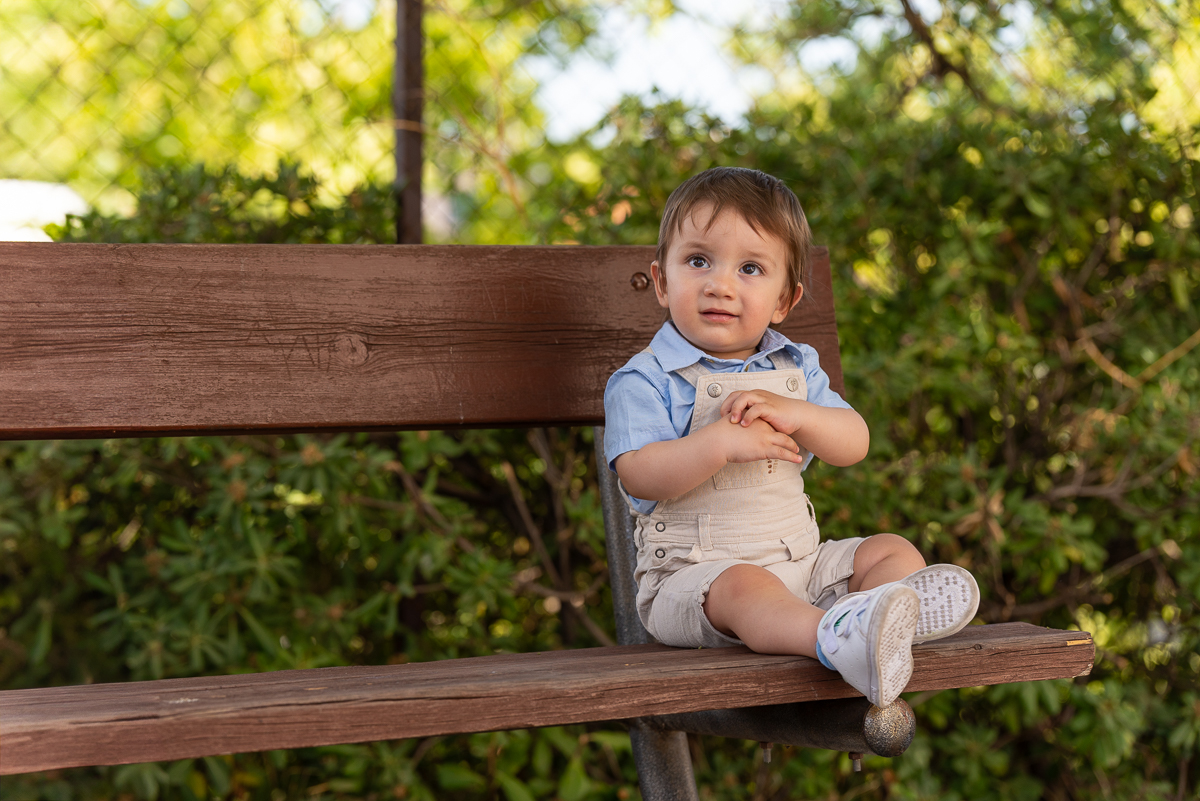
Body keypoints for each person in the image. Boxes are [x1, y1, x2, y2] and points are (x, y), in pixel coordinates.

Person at [603, 167, 980, 707]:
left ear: (784, 300)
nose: (720, 284)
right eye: (698, 261)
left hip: (802, 566)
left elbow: (854, 442)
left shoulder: (795, 367)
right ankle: (837, 636)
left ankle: (871, 621)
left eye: (750, 268)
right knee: (746, 586)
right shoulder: (644, 379)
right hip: (696, 581)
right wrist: (719, 444)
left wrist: (799, 413)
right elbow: (639, 474)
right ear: (663, 282)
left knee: (892, 551)